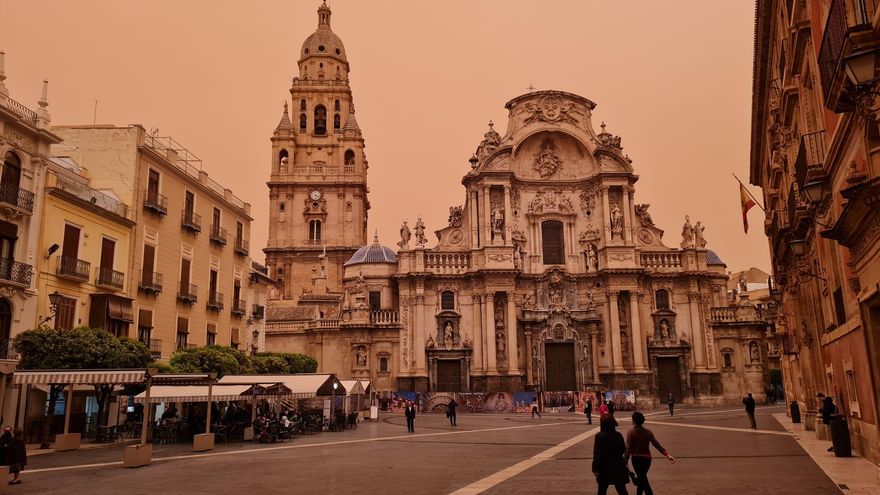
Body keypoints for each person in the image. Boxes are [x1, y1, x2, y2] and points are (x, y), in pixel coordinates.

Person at [624, 412, 675, 495]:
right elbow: (656, 444)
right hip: (647, 459)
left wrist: (625, 461)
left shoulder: (631, 432)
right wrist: (666, 454)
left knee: (642, 479)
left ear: (634, 421)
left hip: (636, 459)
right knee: (642, 478)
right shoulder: (648, 432)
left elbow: (628, 449)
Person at [592, 414, 630, 495]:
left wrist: (595, 468)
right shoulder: (618, 435)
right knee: (621, 489)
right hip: (618, 464)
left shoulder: (599, 436)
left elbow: (597, 453)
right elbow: (623, 449)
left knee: (602, 489)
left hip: (604, 466)